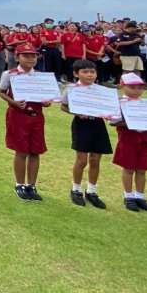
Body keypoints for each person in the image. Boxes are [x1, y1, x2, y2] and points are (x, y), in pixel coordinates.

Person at [0, 42, 55, 201]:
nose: (30, 59)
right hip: (18, 115)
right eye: (26, 55)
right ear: (17, 57)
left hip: (36, 116)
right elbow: (2, 92)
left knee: (35, 151)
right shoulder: (10, 74)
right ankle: (19, 184)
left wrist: (46, 101)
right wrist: (13, 102)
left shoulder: (39, 75)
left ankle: (31, 185)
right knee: (21, 150)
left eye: (33, 55)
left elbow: (45, 95)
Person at [59, 59, 110, 208]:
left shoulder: (101, 90)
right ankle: (76, 189)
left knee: (95, 159)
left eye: (92, 72)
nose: (89, 75)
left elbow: (108, 107)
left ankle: (92, 191)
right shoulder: (72, 89)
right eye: (85, 72)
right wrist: (77, 112)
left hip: (98, 124)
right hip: (81, 124)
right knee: (82, 160)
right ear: (76, 74)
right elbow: (64, 106)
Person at [111, 73, 147, 212]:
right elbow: (113, 122)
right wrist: (132, 121)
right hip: (128, 140)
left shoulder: (146, 104)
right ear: (122, 87)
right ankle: (128, 196)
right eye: (132, 87)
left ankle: (140, 196)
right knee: (129, 168)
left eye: (139, 88)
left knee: (142, 169)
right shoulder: (120, 103)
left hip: (146, 140)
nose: (136, 91)